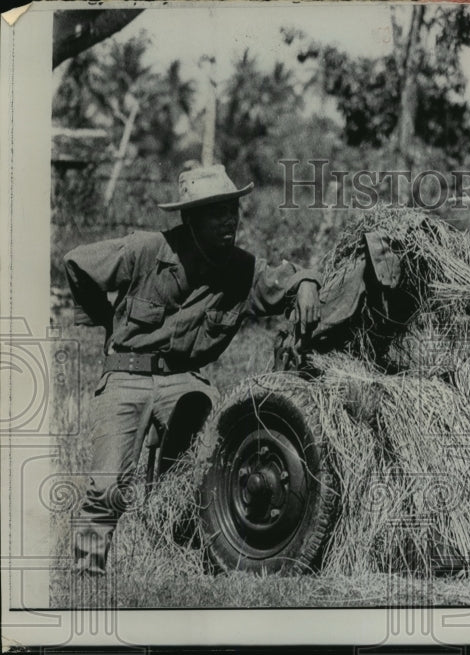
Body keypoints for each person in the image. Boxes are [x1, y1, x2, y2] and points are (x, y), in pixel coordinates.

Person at [64, 164, 322, 575]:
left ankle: (199, 559)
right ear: (190, 218)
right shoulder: (146, 250)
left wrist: (306, 281)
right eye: (216, 212)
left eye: (232, 209)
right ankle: (87, 568)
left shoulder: (241, 269)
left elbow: (281, 281)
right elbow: (76, 263)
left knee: (213, 459)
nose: (229, 220)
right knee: (107, 486)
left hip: (185, 380)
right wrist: (105, 322)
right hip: (126, 375)